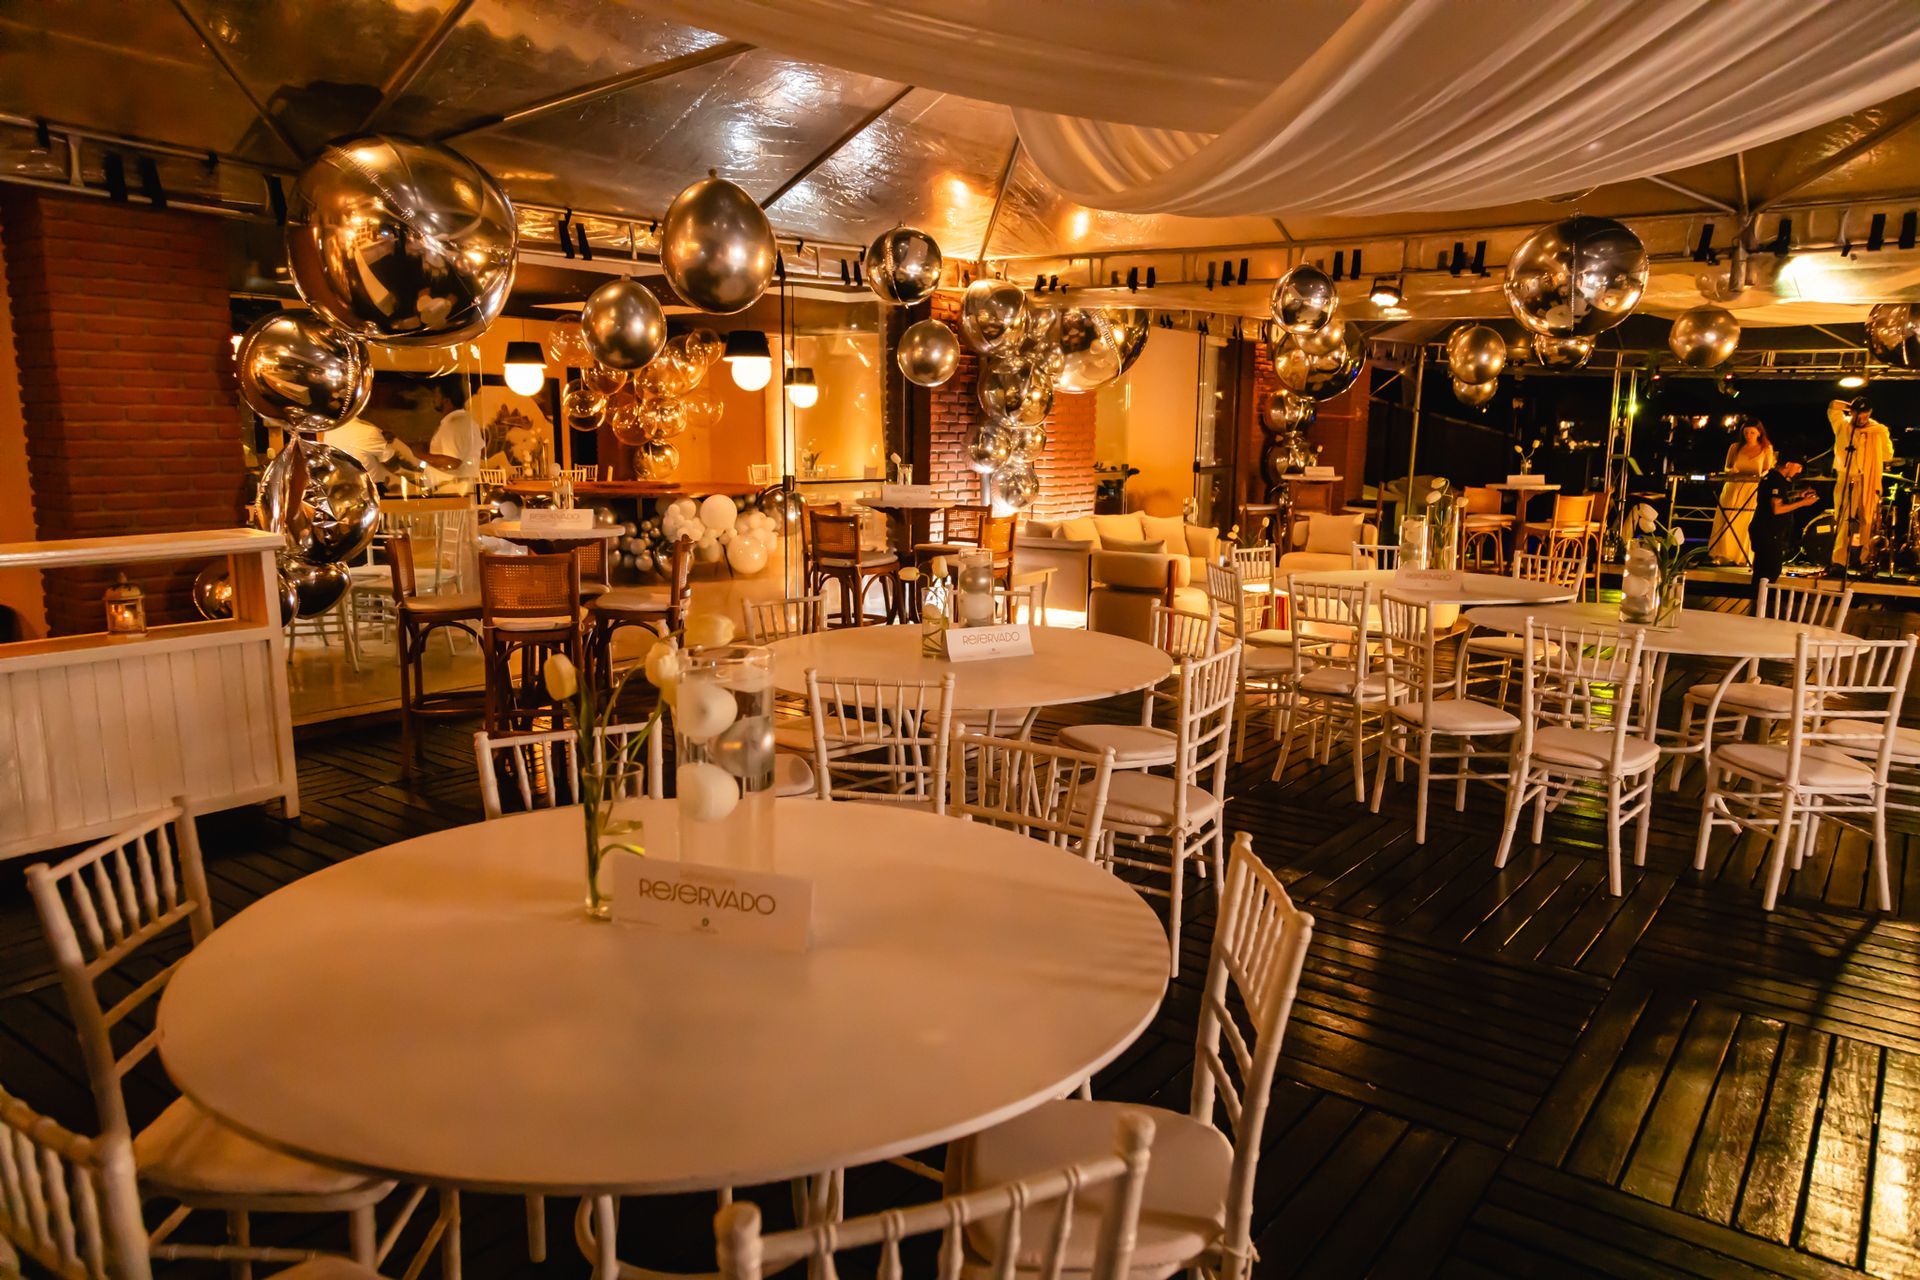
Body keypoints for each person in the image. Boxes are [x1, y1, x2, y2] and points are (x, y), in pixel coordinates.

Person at [1826, 395, 1894, 569]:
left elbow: (1887, 455)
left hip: (1868, 478)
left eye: (1865, 415)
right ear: (1852, 412)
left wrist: (1873, 449)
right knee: (1842, 517)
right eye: (1858, 415)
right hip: (1846, 476)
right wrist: (1851, 406)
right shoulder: (1842, 424)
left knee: (1868, 519)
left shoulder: (1878, 429)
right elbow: (1833, 406)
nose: (1862, 419)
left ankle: (1866, 560)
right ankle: (1839, 560)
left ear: (1870, 413)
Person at [1749, 445, 1819, 608]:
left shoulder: (1775, 479)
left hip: (1767, 532)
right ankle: (1758, 605)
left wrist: (1798, 495)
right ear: (1788, 464)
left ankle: (1757, 604)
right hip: (1768, 533)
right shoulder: (1775, 480)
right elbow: (1777, 508)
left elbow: (1777, 497)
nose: (1799, 471)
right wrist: (1803, 503)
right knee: (1769, 572)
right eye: (1798, 466)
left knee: (1764, 571)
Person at [1708, 418, 1775, 565]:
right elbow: (1727, 467)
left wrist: (1760, 475)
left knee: (1746, 521)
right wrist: (1732, 470)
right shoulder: (1735, 447)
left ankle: (1742, 556)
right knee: (1728, 518)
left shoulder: (1766, 449)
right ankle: (1723, 555)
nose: (1749, 436)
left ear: (1759, 433)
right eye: (1746, 433)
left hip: (1752, 488)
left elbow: (1767, 469)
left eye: (1752, 433)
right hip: (1734, 486)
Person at [421, 379, 483, 492]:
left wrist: (420, 455)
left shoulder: (454, 424)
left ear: (446, 400)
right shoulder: (465, 421)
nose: (433, 398)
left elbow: (452, 462)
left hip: (451, 491)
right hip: (459, 491)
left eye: (436, 394)